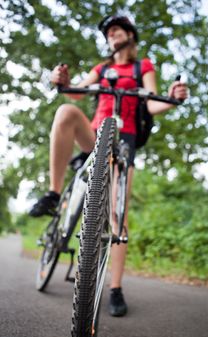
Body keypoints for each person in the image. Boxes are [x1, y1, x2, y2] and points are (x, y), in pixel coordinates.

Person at [30, 15, 188, 316]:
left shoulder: (144, 66)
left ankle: (115, 287)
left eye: (116, 30)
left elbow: (152, 102)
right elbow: (78, 91)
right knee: (66, 111)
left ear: (130, 35)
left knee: (118, 214)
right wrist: (62, 82)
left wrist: (171, 97)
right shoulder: (102, 68)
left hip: (124, 139)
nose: (111, 34)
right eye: (108, 32)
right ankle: (53, 193)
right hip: (94, 134)